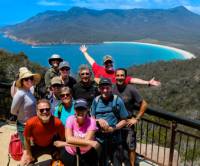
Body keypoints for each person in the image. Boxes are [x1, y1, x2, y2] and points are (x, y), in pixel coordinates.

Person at [91, 77, 129, 166]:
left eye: (107, 88)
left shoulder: (117, 100)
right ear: (99, 89)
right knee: (102, 162)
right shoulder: (96, 100)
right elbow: (91, 118)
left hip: (114, 139)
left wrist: (113, 128)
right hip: (100, 139)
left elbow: (124, 120)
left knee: (117, 162)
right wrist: (97, 120)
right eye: (102, 88)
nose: (105, 90)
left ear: (111, 88)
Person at [113, 68, 148, 166]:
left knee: (131, 147)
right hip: (115, 123)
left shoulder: (131, 89)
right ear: (115, 77)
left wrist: (136, 118)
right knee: (117, 146)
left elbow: (144, 104)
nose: (120, 77)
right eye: (118, 75)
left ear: (125, 77)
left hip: (128, 123)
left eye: (122, 75)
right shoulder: (112, 88)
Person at [80, 45, 161, 86]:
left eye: (110, 62)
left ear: (112, 63)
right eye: (106, 63)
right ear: (104, 64)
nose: (108, 64)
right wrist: (84, 52)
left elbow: (132, 80)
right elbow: (91, 61)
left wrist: (147, 82)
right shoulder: (98, 69)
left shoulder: (118, 75)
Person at [54, 99, 99, 166]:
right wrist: (90, 142)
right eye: (78, 109)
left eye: (83, 109)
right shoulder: (70, 119)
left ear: (87, 110)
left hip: (87, 153)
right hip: (70, 153)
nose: (80, 111)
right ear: (74, 110)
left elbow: (85, 144)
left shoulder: (92, 121)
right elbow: (69, 139)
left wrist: (64, 144)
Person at [22, 99, 65, 166]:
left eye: (47, 109)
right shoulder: (30, 123)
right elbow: (26, 139)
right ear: (37, 111)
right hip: (36, 146)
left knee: (63, 161)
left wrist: (59, 150)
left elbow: (62, 138)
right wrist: (29, 154)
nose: (45, 112)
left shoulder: (57, 122)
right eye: (41, 110)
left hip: (51, 145)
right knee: (25, 162)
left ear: (50, 110)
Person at [10, 68, 41, 147]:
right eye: (26, 79)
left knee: (31, 148)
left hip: (31, 124)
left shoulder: (29, 92)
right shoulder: (20, 93)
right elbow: (13, 111)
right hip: (23, 126)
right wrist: (22, 116)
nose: (29, 80)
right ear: (22, 81)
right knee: (26, 151)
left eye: (31, 78)